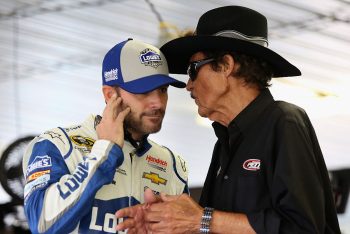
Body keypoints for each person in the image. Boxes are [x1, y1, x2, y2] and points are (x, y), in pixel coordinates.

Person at [115, 6, 341, 234]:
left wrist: (201, 220)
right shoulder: (225, 142)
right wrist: (163, 222)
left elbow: (302, 228)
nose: (188, 85)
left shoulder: (284, 121)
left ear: (226, 66)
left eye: (193, 70)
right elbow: (206, 225)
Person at [22, 38, 189, 233]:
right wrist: (104, 153)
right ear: (110, 95)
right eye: (143, 91)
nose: (158, 103)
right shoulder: (56, 144)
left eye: (162, 90)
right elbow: (42, 223)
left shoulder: (173, 165)